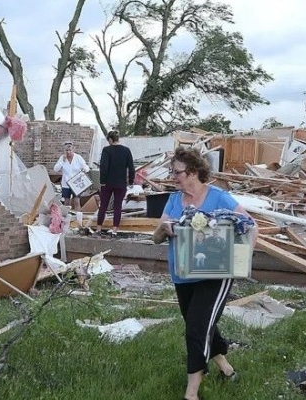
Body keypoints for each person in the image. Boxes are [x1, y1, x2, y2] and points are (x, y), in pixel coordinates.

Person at [152, 147, 257, 400]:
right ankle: (226, 368)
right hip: (183, 274)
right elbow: (156, 238)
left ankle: (191, 393)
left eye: (177, 172)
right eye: (172, 172)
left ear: (194, 172)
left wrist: (243, 257)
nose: (173, 177)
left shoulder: (218, 197)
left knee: (196, 329)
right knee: (199, 323)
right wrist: (164, 228)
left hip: (216, 275)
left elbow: (251, 226)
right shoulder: (174, 200)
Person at [94, 131, 135, 237]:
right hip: (121, 183)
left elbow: (103, 167)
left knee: (103, 205)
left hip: (108, 183)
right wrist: (131, 181)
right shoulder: (126, 150)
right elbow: (131, 167)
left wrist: (102, 182)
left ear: (110, 140)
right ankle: (114, 230)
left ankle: (99, 229)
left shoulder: (106, 150)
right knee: (118, 206)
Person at [53, 141, 90, 211]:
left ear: (73, 150)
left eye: (70, 150)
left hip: (76, 183)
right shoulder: (62, 158)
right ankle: (65, 218)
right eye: (66, 150)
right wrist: (62, 161)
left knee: (76, 201)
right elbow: (56, 169)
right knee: (66, 202)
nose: (68, 152)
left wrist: (85, 169)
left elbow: (86, 167)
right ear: (64, 151)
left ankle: (78, 218)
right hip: (66, 183)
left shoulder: (78, 158)